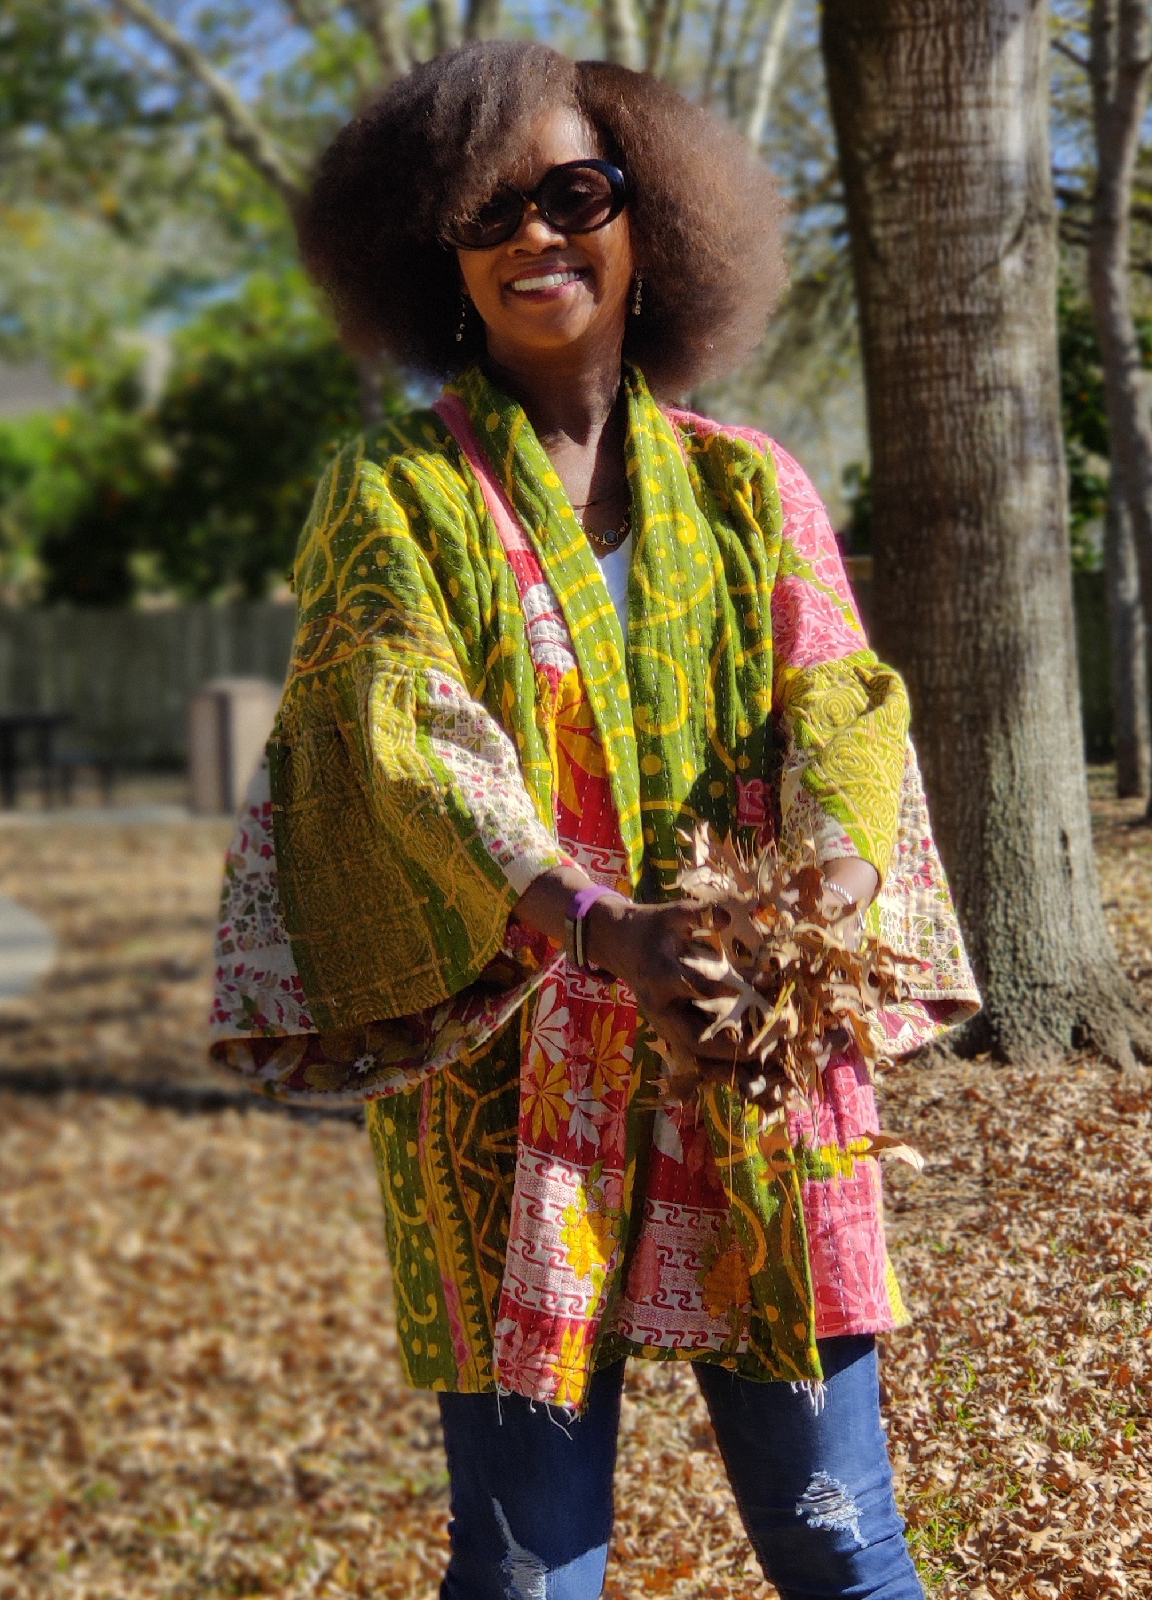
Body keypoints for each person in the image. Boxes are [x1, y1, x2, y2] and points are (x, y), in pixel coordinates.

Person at [209, 40, 979, 1600]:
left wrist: (813, 900)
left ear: (653, 217)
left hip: (753, 1050)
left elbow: (842, 697)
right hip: (512, 1089)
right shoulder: (395, 491)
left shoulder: (751, 486)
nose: (535, 235)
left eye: (574, 194)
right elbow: (398, 722)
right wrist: (599, 924)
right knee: (526, 1573)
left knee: (842, 1545)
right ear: (434, 248)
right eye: (487, 210)